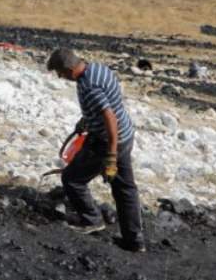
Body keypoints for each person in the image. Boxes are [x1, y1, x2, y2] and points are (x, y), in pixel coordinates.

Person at [47, 48, 145, 252]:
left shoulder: (88, 86)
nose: (60, 77)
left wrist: (110, 156)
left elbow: (109, 117)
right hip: (126, 134)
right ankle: (134, 240)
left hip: (109, 141)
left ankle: (92, 219)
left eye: (60, 73)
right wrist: (87, 120)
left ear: (69, 69)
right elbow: (109, 102)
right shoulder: (98, 69)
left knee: (72, 179)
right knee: (125, 188)